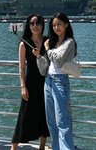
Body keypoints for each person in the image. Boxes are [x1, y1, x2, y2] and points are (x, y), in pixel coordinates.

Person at [36, 13, 77, 150]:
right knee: (51, 122)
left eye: (59, 24)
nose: (56, 27)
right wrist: (39, 56)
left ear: (66, 24)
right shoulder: (53, 42)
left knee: (62, 121)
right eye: (53, 25)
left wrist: (47, 49)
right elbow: (48, 65)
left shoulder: (69, 42)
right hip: (48, 80)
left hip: (60, 81)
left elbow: (58, 60)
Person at [11, 14, 49, 150]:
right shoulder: (24, 43)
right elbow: (21, 67)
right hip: (31, 81)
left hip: (46, 81)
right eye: (32, 23)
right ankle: (14, 146)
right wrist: (23, 86)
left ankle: (42, 146)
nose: (35, 26)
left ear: (42, 25)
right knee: (25, 114)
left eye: (38, 23)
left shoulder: (48, 41)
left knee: (44, 113)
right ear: (28, 25)